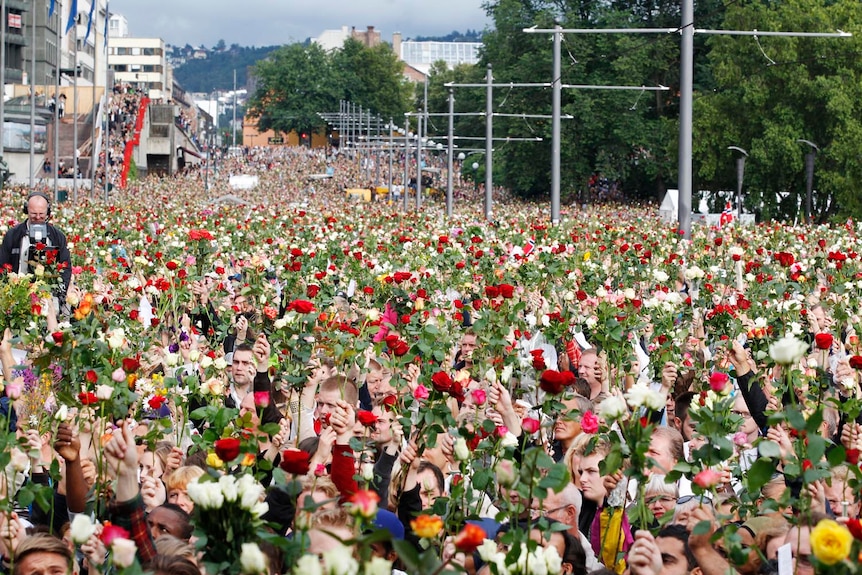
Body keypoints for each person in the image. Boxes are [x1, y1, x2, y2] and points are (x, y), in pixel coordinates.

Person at [0, 192, 72, 297]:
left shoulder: (57, 236)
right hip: (18, 293)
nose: (38, 217)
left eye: (41, 214)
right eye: (33, 214)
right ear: (26, 211)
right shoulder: (13, 235)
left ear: (48, 212)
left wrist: (60, 293)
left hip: (48, 295)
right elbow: (2, 264)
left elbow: (66, 266)